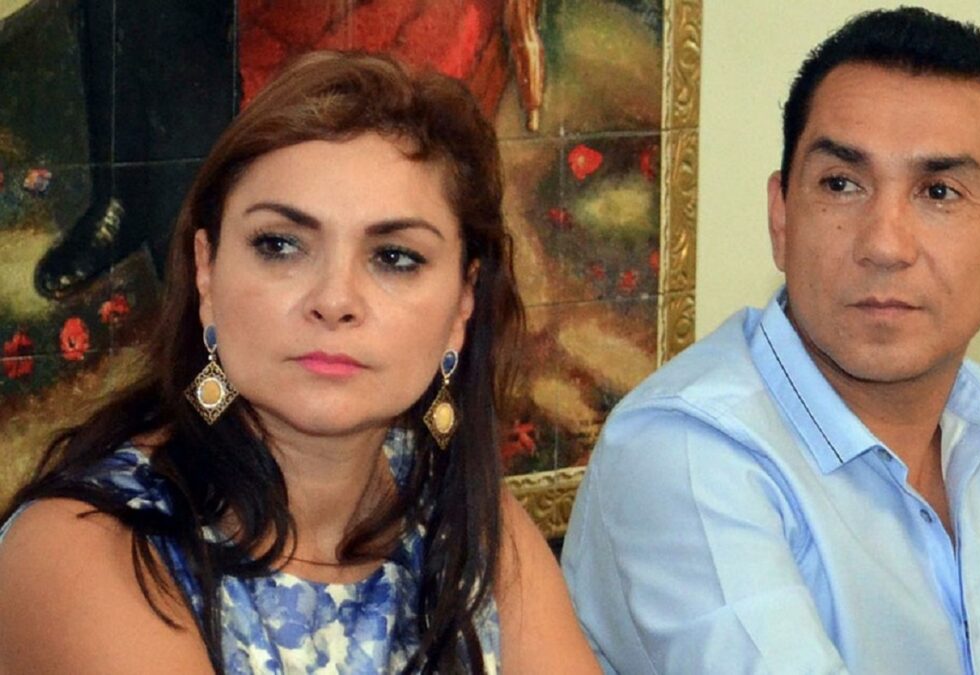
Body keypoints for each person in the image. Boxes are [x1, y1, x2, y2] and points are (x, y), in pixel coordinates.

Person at [562, 8, 980, 674]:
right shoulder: (688, 452)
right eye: (841, 185)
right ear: (781, 219)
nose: (884, 244)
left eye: (939, 192)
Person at [0, 51, 600, 674]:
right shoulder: (89, 546)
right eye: (280, 245)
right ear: (207, 272)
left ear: (463, 303)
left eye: (395, 257)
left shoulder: (466, 519)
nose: (334, 301)